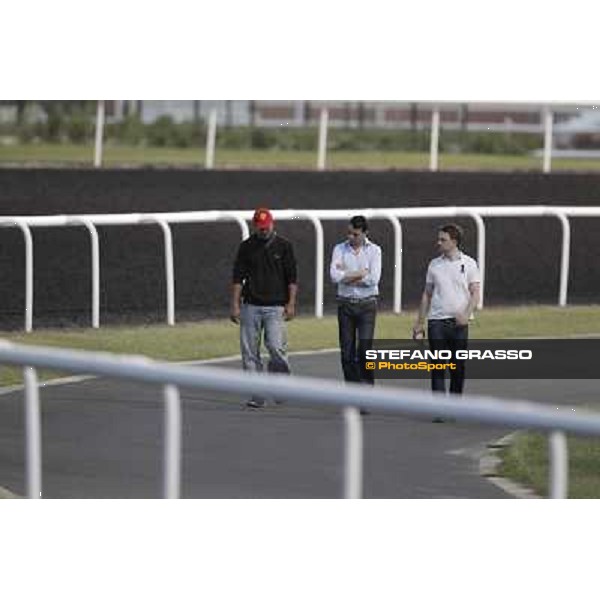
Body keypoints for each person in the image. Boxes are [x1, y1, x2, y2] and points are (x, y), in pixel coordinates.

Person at [230, 208, 298, 409]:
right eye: (260, 228)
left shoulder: (285, 246)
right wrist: (234, 305)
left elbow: (292, 278)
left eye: (266, 226)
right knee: (249, 353)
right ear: (255, 226)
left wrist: (291, 303)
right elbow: (237, 278)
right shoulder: (246, 247)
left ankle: (280, 387)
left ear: (272, 223)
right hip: (250, 306)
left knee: (276, 348)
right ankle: (257, 394)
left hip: (276, 307)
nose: (263, 230)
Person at [412, 223, 481, 396]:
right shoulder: (434, 265)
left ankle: (454, 404)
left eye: (443, 239)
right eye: (439, 239)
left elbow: (475, 293)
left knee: (457, 367)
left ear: (454, 241)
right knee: (438, 367)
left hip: (459, 324)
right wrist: (419, 323)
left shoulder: (470, 264)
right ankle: (440, 408)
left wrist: (466, 315)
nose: (438, 242)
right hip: (436, 322)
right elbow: (427, 294)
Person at [330, 215, 382, 407]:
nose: (351, 237)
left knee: (365, 350)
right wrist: (360, 273)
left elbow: (373, 279)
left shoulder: (375, 251)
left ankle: (367, 393)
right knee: (347, 353)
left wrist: (346, 275)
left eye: (355, 234)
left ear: (365, 233)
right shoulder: (339, 249)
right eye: (349, 233)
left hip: (367, 305)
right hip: (345, 305)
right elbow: (334, 277)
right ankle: (353, 395)